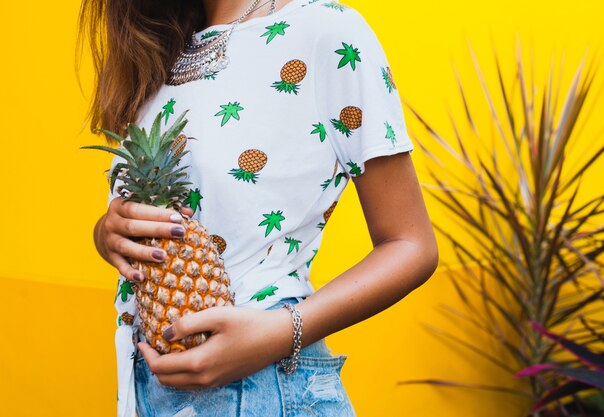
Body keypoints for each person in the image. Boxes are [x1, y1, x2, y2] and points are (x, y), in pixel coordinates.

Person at [77, 0, 439, 416]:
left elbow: (411, 245)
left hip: (265, 387)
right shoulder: (161, 50)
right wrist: (108, 234)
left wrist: (279, 333)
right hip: (151, 387)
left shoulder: (325, 29)